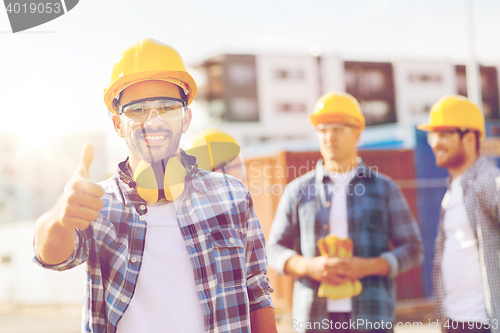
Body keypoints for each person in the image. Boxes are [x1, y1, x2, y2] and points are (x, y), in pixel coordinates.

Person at [33, 38, 276, 333]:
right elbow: (51, 258)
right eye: (137, 110)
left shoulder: (232, 195)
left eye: (167, 107)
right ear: (117, 124)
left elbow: (257, 291)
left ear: (186, 118)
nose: (154, 121)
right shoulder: (97, 202)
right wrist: (60, 217)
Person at [267, 92, 424, 333]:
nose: (329, 137)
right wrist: (310, 267)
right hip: (313, 319)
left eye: (338, 129)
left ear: (358, 133)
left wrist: (369, 266)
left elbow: (413, 249)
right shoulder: (297, 191)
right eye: (323, 129)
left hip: (371, 317)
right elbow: (274, 249)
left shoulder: (385, 188)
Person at [417, 95, 500, 333]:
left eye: (444, 133)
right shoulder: (455, 186)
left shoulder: (486, 180)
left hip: (483, 323)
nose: (435, 142)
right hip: (456, 321)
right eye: (433, 134)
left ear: (470, 137)